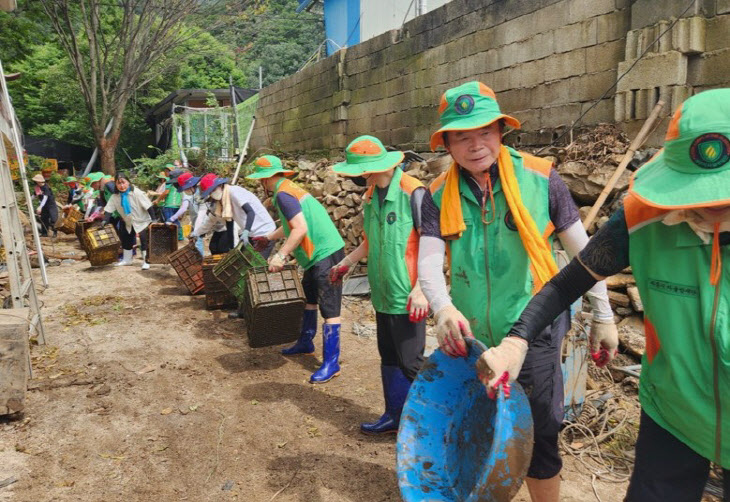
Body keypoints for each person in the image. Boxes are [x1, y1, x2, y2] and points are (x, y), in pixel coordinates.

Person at [491, 89, 730, 502]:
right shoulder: (641, 218)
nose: (705, 209)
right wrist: (517, 341)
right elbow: (568, 282)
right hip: (674, 408)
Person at [416, 81, 616, 502]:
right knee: (480, 420)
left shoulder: (541, 178)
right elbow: (430, 263)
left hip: (536, 325)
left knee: (540, 429)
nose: (475, 145)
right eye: (462, 136)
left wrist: (603, 315)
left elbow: (585, 254)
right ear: (447, 143)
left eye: (484, 132)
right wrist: (443, 308)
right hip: (472, 335)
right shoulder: (437, 194)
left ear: (501, 131)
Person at [330, 135, 429, 434]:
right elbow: (370, 242)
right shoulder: (372, 196)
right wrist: (345, 263)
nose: (358, 179)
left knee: (412, 362)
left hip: (408, 295)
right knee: (388, 356)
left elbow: (434, 243)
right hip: (383, 293)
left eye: (360, 173)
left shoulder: (413, 192)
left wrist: (423, 288)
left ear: (372, 168)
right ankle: (395, 416)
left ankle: (430, 427)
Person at [246, 155, 345, 384]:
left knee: (329, 308)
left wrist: (281, 255)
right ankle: (305, 341)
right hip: (314, 255)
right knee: (309, 298)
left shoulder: (282, 194)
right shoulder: (288, 190)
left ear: (264, 179)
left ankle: (332, 363)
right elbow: (290, 224)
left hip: (325, 252)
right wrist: (269, 237)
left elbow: (299, 229)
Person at [195, 174, 276, 257]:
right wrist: (231, 248)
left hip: (265, 232)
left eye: (213, 190)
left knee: (256, 265)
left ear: (220, 185)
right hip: (252, 234)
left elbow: (250, 212)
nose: (212, 193)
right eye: (210, 192)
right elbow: (230, 223)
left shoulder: (234, 192)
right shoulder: (224, 202)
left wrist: (246, 231)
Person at [102, 172, 155, 270]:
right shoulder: (115, 196)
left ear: (128, 182)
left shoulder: (137, 193)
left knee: (144, 240)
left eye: (124, 183)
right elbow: (109, 209)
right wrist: (105, 220)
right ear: (116, 185)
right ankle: (127, 260)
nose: (122, 186)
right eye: (119, 183)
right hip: (127, 221)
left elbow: (149, 206)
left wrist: (154, 220)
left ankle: (146, 261)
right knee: (126, 239)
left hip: (142, 221)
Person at [188, 173, 236, 256]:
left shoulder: (229, 198)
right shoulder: (214, 205)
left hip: (232, 228)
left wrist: (235, 247)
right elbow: (209, 221)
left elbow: (234, 226)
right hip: (220, 228)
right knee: (213, 247)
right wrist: (195, 234)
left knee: (222, 248)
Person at [170, 172, 205, 256]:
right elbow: (184, 207)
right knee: (194, 242)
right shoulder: (189, 194)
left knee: (198, 242)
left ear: (191, 186)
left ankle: (200, 262)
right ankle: (198, 261)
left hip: (203, 221)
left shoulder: (201, 194)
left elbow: (201, 214)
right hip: (195, 221)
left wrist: (172, 218)